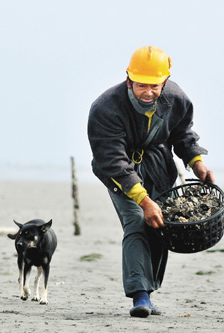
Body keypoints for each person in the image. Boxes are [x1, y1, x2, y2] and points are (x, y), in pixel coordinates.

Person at [87, 45, 215, 318]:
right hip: (119, 170)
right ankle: (140, 296)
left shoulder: (176, 98)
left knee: (160, 225)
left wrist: (197, 163)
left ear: (164, 81)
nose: (148, 92)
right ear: (129, 79)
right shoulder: (105, 108)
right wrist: (144, 201)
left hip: (158, 164)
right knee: (137, 221)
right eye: (141, 85)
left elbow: (183, 134)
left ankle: (149, 290)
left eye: (155, 86)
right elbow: (114, 162)